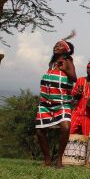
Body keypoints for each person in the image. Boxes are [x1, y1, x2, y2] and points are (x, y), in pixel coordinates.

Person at [35, 37, 77, 168]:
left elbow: (74, 78)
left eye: (59, 45)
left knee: (65, 128)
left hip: (62, 103)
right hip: (46, 103)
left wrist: (65, 69)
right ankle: (47, 160)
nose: (56, 47)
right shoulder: (52, 63)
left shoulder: (67, 61)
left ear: (65, 50)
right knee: (40, 131)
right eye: (55, 45)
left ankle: (59, 160)